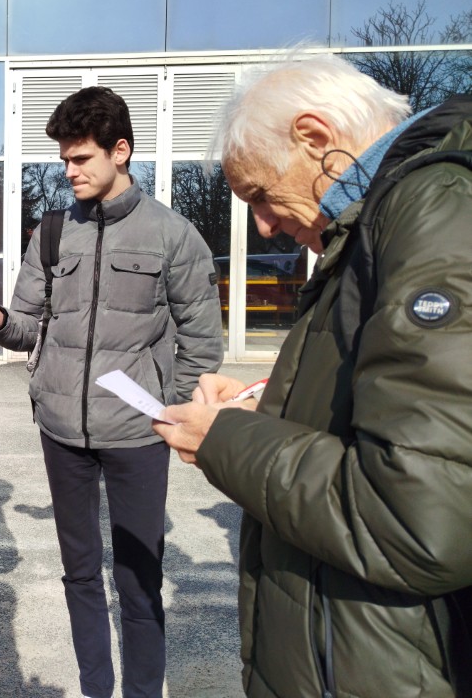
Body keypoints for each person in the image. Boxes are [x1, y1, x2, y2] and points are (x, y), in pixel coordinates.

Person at [153, 54, 472, 697]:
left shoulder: (431, 212)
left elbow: (414, 519)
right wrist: (265, 403)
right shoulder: (371, 227)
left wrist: (225, 439)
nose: (264, 225)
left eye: (259, 195)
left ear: (315, 137)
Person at [0, 86, 223, 698]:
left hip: (137, 436)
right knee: (79, 575)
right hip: (62, 432)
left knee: (138, 583)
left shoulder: (174, 235)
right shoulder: (51, 233)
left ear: (120, 151)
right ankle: (96, 689)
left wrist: (171, 411)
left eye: (81, 159)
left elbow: (202, 343)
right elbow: (26, 328)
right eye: (64, 160)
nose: (69, 171)